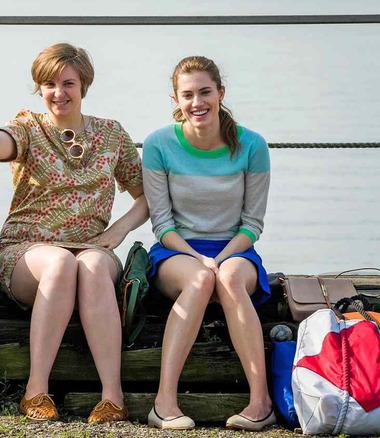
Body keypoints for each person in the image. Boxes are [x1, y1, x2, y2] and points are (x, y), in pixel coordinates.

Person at [0, 43, 148, 423]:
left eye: (68, 83)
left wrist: (119, 229)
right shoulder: (29, 126)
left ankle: (113, 397)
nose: (58, 93)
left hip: (92, 247)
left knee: (92, 267)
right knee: (61, 262)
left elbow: (147, 197)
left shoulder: (112, 135)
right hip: (27, 249)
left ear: (84, 86)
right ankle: (36, 390)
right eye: (49, 84)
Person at [142, 55, 274, 431]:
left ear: (221, 93)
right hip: (177, 250)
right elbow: (163, 224)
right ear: (175, 100)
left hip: (235, 250)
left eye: (205, 92)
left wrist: (220, 259)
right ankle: (164, 403)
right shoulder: (157, 144)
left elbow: (252, 224)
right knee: (200, 280)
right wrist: (199, 259)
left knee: (228, 279)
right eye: (187, 95)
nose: (197, 102)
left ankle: (260, 403)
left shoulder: (252, 146)